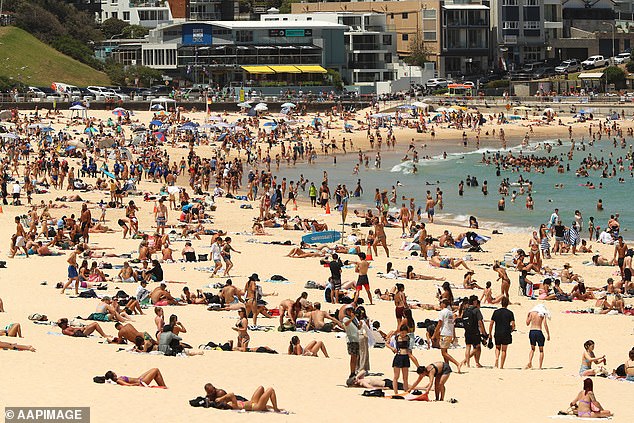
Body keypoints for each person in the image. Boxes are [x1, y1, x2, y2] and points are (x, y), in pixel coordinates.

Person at [433, 299, 461, 373]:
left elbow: (439, 324)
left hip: (444, 333)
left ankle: (457, 363)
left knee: (443, 353)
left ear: (444, 304)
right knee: (445, 351)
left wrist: (434, 334)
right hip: (449, 333)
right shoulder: (450, 313)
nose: (440, 304)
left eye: (441, 303)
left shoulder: (442, 312)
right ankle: (447, 367)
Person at [488, 296, 515, 369]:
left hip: (497, 332)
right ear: (507, 304)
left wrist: (490, 333)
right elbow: (513, 325)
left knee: (497, 347)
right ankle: (501, 366)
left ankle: (496, 358)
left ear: (501, 303)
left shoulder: (496, 312)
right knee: (504, 350)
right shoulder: (510, 313)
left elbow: (491, 323)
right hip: (506, 333)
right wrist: (511, 330)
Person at [460, 295, 486, 368]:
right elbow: (480, 322)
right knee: (477, 347)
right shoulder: (476, 310)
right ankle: (475, 362)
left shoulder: (466, 310)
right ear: (474, 301)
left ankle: (468, 364)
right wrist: (484, 333)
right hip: (475, 331)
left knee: (468, 347)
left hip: (467, 331)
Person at [525, 304, 551, 369]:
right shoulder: (542, 313)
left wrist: (527, 316)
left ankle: (530, 362)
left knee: (532, 349)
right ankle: (540, 366)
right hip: (538, 331)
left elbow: (527, 323)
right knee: (541, 350)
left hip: (532, 331)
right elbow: (545, 324)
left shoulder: (531, 313)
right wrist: (548, 334)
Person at [387, 324, 411, 394]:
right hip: (398, 357)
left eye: (405, 333)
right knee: (396, 376)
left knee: (405, 377)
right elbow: (387, 343)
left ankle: (406, 392)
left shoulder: (408, 338)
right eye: (402, 332)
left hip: (406, 357)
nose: (403, 334)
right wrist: (392, 348)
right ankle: (396, 392)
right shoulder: (396, 338)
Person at [342, 305, 360, 378]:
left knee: (357, 356)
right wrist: (352, 318)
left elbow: (358, 327)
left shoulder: (355, 319)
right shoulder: (345, 319)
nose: (350, 312)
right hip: (351, 340)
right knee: (353, 356)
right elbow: (346, 324)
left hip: (357, 339)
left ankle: (355, 370)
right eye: (349, 310)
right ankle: (352, 372)